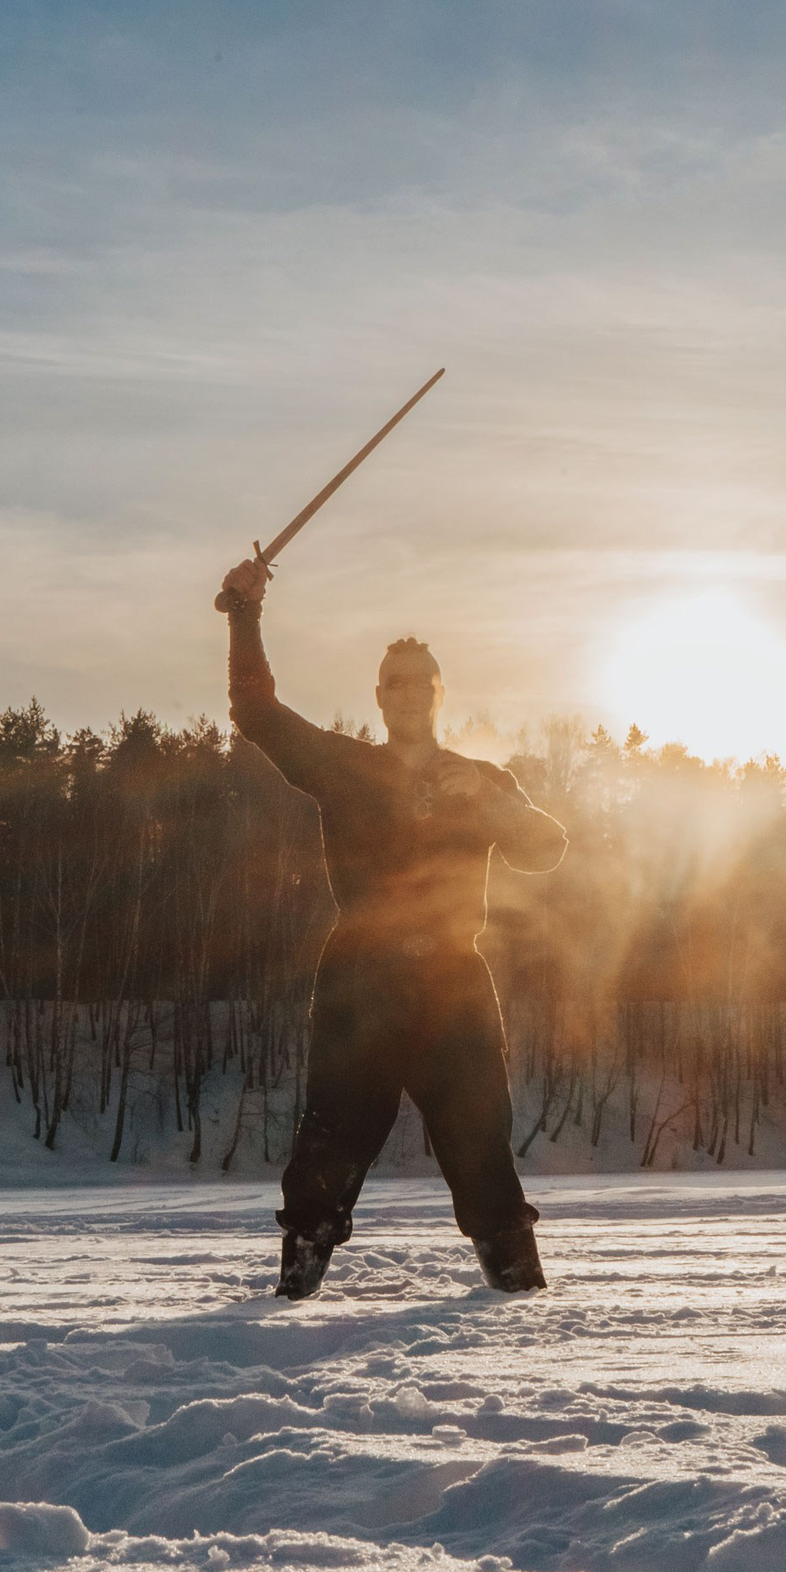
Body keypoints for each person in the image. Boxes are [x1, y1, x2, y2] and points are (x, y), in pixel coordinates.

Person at [215, 553, 568, 1298]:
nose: (409, 692)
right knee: (329, 1144)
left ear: (441, 693)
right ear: (378, 697)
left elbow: (546, 849)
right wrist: (246, 615)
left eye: (423, 681)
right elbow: (255, 711)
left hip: (453, 983)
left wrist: (492, 800)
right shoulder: (343, 766)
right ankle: (289, 1301)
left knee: (482, 1147)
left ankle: (522, 1305)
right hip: (361, 981)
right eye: (395, 682)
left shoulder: (481, 779)